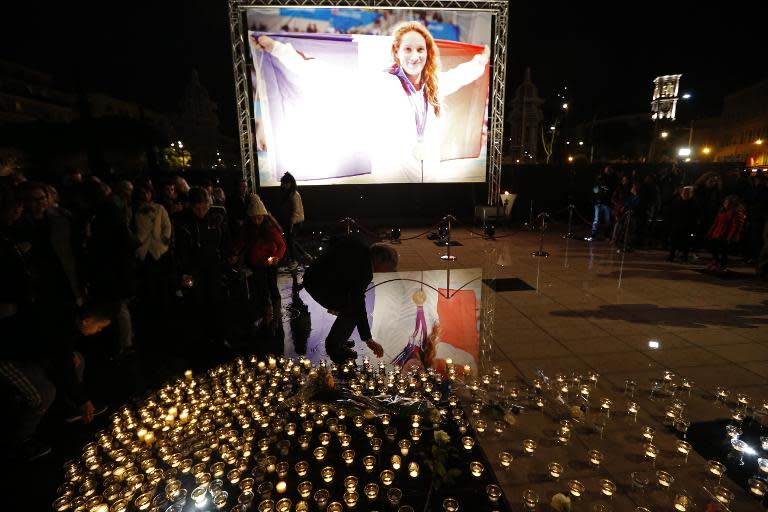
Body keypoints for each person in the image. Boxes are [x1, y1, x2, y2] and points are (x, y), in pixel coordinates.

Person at [252, 22, 490, 183]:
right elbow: (324, 74)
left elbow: (462, 75)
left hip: (429, 179)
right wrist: (277, 48)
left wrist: (482, 61)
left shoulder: (434, 86)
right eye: (408, 49)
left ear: (428, 53)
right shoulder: (383, 83)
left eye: (420, 49)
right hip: (392, 181)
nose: (415, 56)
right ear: (397, 51)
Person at [302, 239, 397, 363]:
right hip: (319, 286)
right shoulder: (365, 270)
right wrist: (368, 339)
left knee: (349, 305)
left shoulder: (357, 244)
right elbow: (358, 303)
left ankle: (340, 337)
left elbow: (333, 243)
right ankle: (334, 346)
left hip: (313, 275)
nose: (385, 271)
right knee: (351, 310)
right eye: (387, 268)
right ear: (380, 260)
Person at [239, 194, 285, 326]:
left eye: (259, 218)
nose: (257, 221)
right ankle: (267, 314)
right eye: (253, 219)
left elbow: (282, 245)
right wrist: (235, 254)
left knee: (272, 285)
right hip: (256, 263)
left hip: (270, 262)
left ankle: (277, 312)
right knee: (261, 288)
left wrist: (277, 256)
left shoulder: (270, 228)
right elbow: (241, 243)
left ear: (264, 217)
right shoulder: (247, 230)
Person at [707, 195, 746, 273]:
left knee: (724, 252)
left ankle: (723, 265)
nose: (725, 204)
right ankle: (716, 261)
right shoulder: (722, 211)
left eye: (727, 203)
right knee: (713, 248)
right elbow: (716, 223)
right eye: (724, 202)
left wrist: (730, 237)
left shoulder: (735, 213)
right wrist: (710, 232)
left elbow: (736, 226)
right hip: (717, 234)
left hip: (726, 235)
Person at [278, 172, 304, 269]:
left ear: (291, 183)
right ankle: (304, 255)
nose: (284, 185)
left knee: (290, 240)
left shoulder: (294, 194)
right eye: (283, 183)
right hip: (289, 222)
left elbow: (296, 211)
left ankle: (294, 260)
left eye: (286, 183)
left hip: (295, 222)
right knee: (290, 240)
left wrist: (291, 224)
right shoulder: (287, 194)